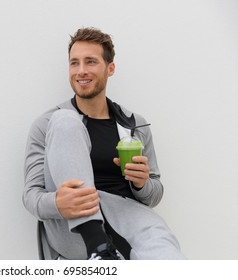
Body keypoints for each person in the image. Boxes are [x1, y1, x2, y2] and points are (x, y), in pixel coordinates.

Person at [23, 27, 185, 260]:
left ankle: (109, 255)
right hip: (74, 229)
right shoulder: (48, 123)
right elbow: (31, 196)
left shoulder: (135, 125)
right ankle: (97, 245)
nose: (81, 71)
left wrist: (141, 184)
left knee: (171, 260)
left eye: (90, 62)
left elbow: (154, 194)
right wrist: (58, 202)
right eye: (74, 63)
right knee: (65, 121)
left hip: (127, 215)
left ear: (110, 68)